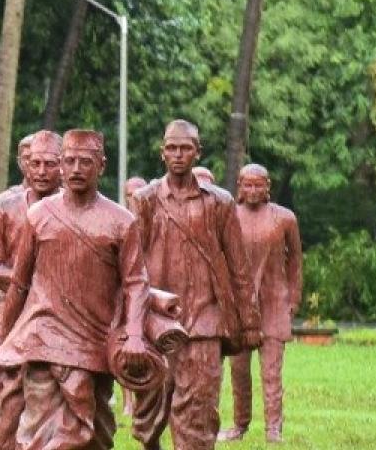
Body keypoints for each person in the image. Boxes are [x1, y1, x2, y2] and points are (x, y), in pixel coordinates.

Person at [0, 130, 151, 450]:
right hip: (43, 336)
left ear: (101, 166)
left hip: (95, 340)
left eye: (85, 162)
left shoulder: (121, 221)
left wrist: (133, 334)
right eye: (70, 161)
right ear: (62, 165)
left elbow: (135, 281)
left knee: (96, 431)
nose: (76, 169)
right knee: (46, 430)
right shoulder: (39, 215)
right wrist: (7, 341)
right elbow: (19, 284)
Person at [128, 120, 259, 450]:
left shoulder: (220, 202)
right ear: (162, 153)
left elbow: (238, 267)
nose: (178, 154)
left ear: (197, 152)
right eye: (171, 147)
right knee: (151, 414)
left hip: (205, 321)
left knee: (197, 413)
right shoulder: (145, 200)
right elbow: (132, 266)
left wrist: (250, 320)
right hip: (158, 323)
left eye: (185, 148)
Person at [219, 164, 302, 444]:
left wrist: (293, 298)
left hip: (274, 304)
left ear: (268, 187)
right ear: (239, 188)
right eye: (247, 185)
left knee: (271, 372)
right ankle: (239, 424)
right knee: (239, 371)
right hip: (240, 306)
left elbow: (296, 263)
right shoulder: (228, 216)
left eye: (258, 185)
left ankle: (273, 428)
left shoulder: (284, 218)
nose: (253, 191)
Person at [0, 131, 57, 429]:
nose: (38, 170)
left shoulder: (72, 206)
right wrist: (27, 283)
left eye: (47, 163)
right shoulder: (5, 205)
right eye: (31, 161)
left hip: (58, 316)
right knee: (6, 398)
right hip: (10, 307)